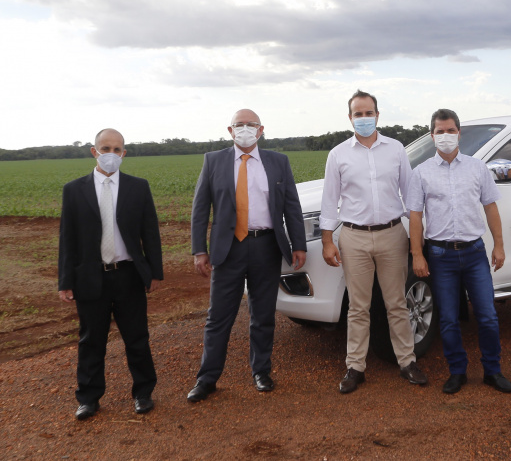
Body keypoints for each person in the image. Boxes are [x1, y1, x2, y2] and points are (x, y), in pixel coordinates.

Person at [188, 109, 307, 402]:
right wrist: (199, 250)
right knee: (218, 316)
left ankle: (261, 371)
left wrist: (299, 245)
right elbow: (200, 209)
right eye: (239, 125)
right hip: (228, 249)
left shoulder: (278, 162)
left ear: (261, 129)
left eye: (250, 124)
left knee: (263, 314)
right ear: (230, 131)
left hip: (266, 246)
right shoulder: (213, 161)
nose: (245, 129)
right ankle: (207, 378)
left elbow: (291, 206)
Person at [320, 90, 428, 393]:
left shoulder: (395, 150)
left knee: (396, 302)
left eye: (369, 113)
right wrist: (328, 242)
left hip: (393, 234)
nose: (364, 118)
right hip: (353, 237)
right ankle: (355, 367)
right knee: (358, 306)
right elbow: (330, 202)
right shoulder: (338, 154)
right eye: (358, 113)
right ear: (350, 117)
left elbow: (410, 195)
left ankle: (407, 361)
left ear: (378, 115)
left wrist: (418, 239)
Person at [406, 108, 511, 395]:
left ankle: (493, 370)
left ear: (459, 133)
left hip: (475, 253)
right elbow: (415, 217)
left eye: (450, 130)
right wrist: (418, 254)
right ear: (432, 136)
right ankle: (457, 372)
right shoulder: (421, 173)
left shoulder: (477, 168)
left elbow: (490, 206)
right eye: (439, 131)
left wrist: (499, 245)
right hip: (441, 256)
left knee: (487, 315)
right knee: (449, 319)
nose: (445, 136)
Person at [58, 128, 163, 420]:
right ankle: (88, 398)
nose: (111, 154)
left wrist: (154, 272)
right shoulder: (74, 190)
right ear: (94, 151)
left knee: (136, 337)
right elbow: (67, 239)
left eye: (117, 150)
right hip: (90, 276)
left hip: (128, 274)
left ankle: (143, 392)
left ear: (124, 154)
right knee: (91, 340)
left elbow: (150, 233)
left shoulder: (138, 187)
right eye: (106, 148)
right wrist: (65, 281)